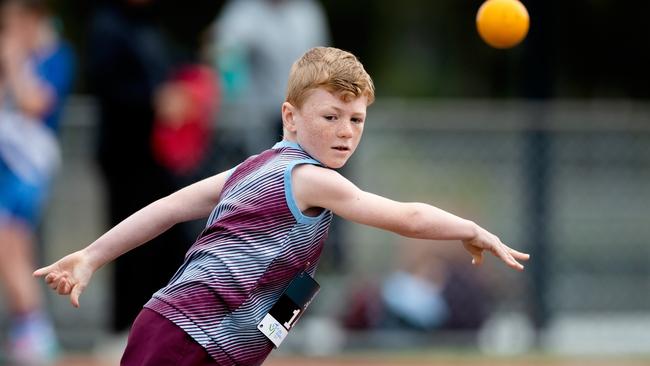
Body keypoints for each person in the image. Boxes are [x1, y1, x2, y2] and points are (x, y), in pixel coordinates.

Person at [34, 47, 529, 365]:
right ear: (290, 118)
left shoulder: (252, 169)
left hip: (185, 334)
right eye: (331, 116)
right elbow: (408, 217)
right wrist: (469, 228)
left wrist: (91, 256)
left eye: (356, 119)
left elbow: (165, 208)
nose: (345, 131)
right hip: (183, 340)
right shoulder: (313, 179)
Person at [0, 0, 74, 363]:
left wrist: (13, 61)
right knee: (13, 248)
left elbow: (34, 103)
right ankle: (28, 329)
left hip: (27, 166)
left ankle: (33, 330)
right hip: (8, 163)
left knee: (9, 245)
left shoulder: (54, 55)